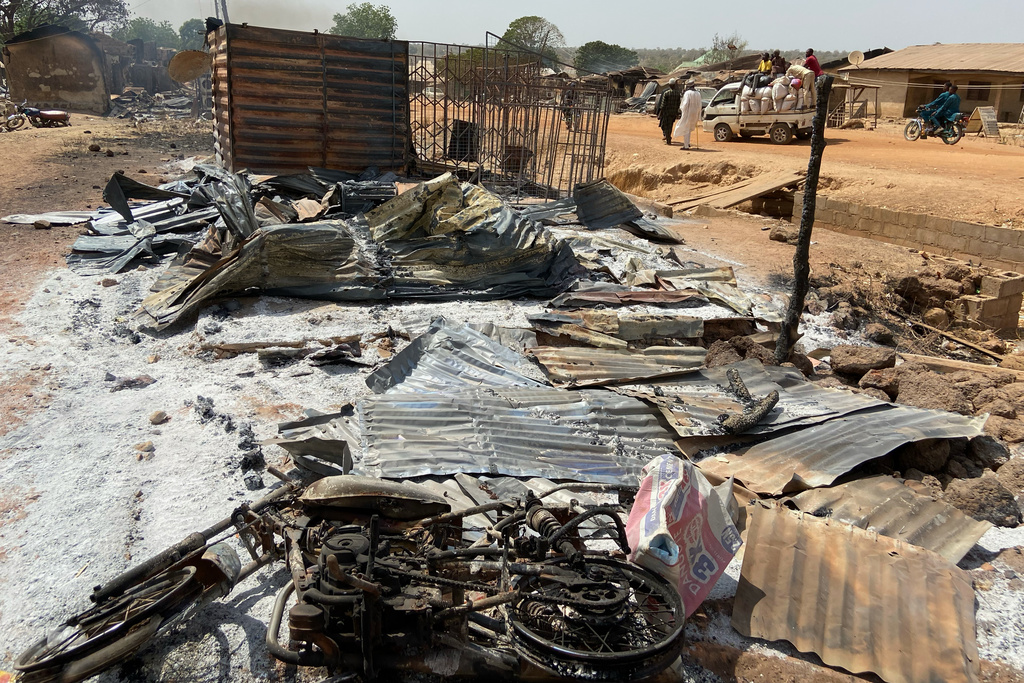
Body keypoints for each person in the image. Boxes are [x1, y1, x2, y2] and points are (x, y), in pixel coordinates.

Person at [674, 79, 703, 150]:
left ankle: (686, 145)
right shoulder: (698, 93)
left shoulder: (688, 93)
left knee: (685, 128)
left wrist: (682, 110)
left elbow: (685, 103)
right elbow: (700, 105)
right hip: (695, 113)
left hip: (688, 112)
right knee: (689, 128)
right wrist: (698, 113)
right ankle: (687, 143)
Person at [656, 78, 682, 145]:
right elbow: (678, 104)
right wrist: (677, 113)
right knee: (670, 126)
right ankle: (668, 137)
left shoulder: (666, 93)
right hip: (673, 113)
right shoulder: (677, 94)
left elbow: (663, 104)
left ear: (670, 85)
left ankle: (668, 139)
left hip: (666, 113)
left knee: (666, 125)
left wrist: (660, 113)